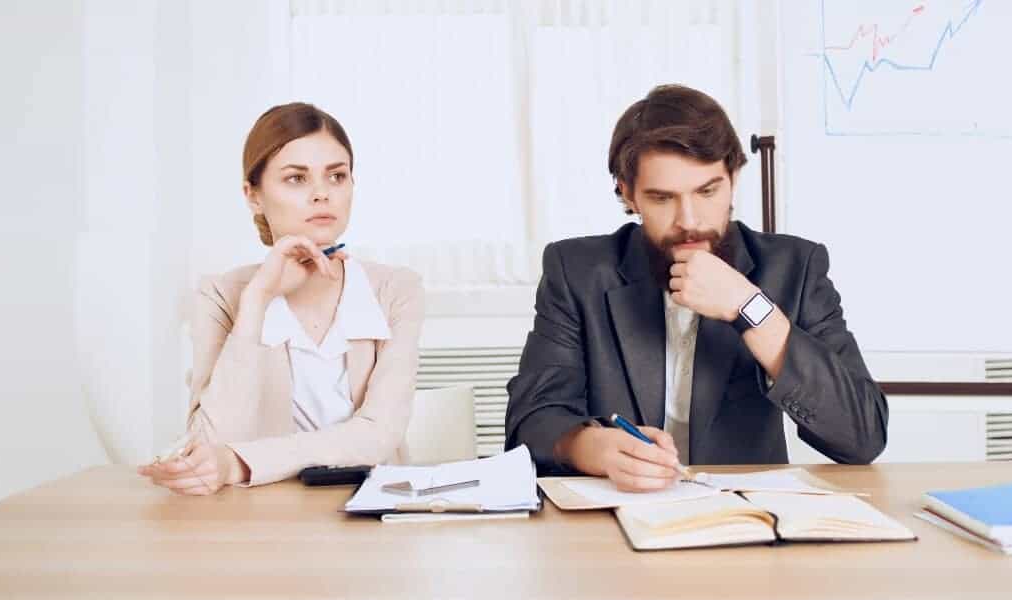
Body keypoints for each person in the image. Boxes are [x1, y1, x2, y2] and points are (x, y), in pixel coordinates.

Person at [505, 84, 888, 491]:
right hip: (616, 525)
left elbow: (863, 436)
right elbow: (530, 422)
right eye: (662, 198)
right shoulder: (577, 272)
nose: (689, 220)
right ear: (627, 192)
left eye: (707, 191)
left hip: (744, 526)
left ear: (733, 178)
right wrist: (592, 446)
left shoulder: (795, 267)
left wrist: (749, 306)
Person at [138, 103, 424, 494]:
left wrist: (241, 462)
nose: (322, 194)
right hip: (261, 522)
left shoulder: (396, 290)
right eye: (296, 179)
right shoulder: (222, 295)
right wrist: (258, 298)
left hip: (374, 515)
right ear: (253, 196)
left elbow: (378, 435)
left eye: (337, 176)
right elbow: (210, 441)